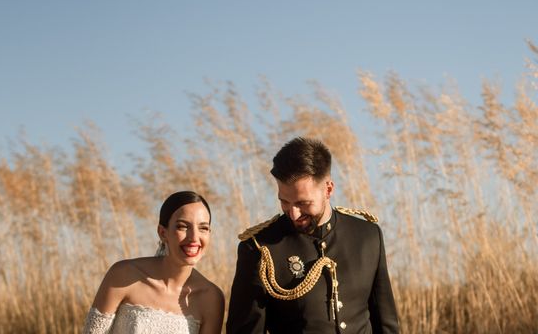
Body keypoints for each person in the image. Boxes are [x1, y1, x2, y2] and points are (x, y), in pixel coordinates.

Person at [226, 137, 399, 333]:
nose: (293, 213)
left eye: (302, 203)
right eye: (284, 202)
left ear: (328, 189)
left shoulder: (368, 236)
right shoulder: (260, 247)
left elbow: (386, 323)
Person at [82, 191, 225, 334]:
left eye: (203, 228)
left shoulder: (211, 298)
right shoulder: (123, 275)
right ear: (163, 233)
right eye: (183, 226)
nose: (194, 237)